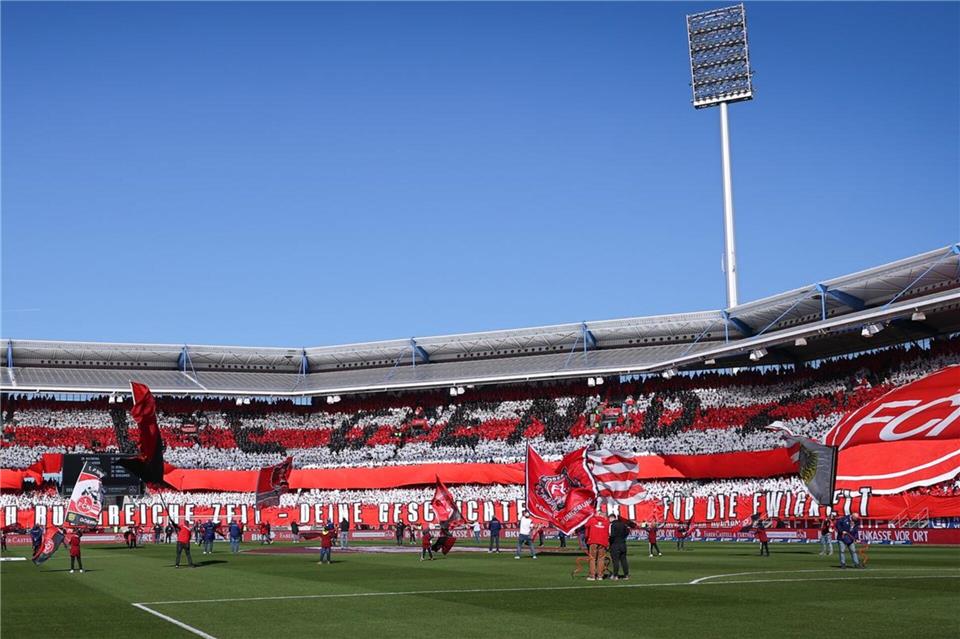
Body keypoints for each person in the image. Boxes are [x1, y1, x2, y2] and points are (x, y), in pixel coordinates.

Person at [608, 513, 636, 580]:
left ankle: (615, 575)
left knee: (615, 561)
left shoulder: (612, 525)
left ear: (611, 518)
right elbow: (627, 532)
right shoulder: (623, 524)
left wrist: (610, 542)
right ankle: (626, 575)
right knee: (624, 560)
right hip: (623, 544)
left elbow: (612, 535)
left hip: (615, 544)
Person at [584, 512, 610, 581]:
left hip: (593, 541)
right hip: (603, 542)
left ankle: (592, 576)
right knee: (601, 559)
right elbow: (608, 533)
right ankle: (600, 576)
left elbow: (586, 526)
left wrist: (587, 538)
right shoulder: (607, 522)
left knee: (592, 558)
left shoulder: (592, 520)